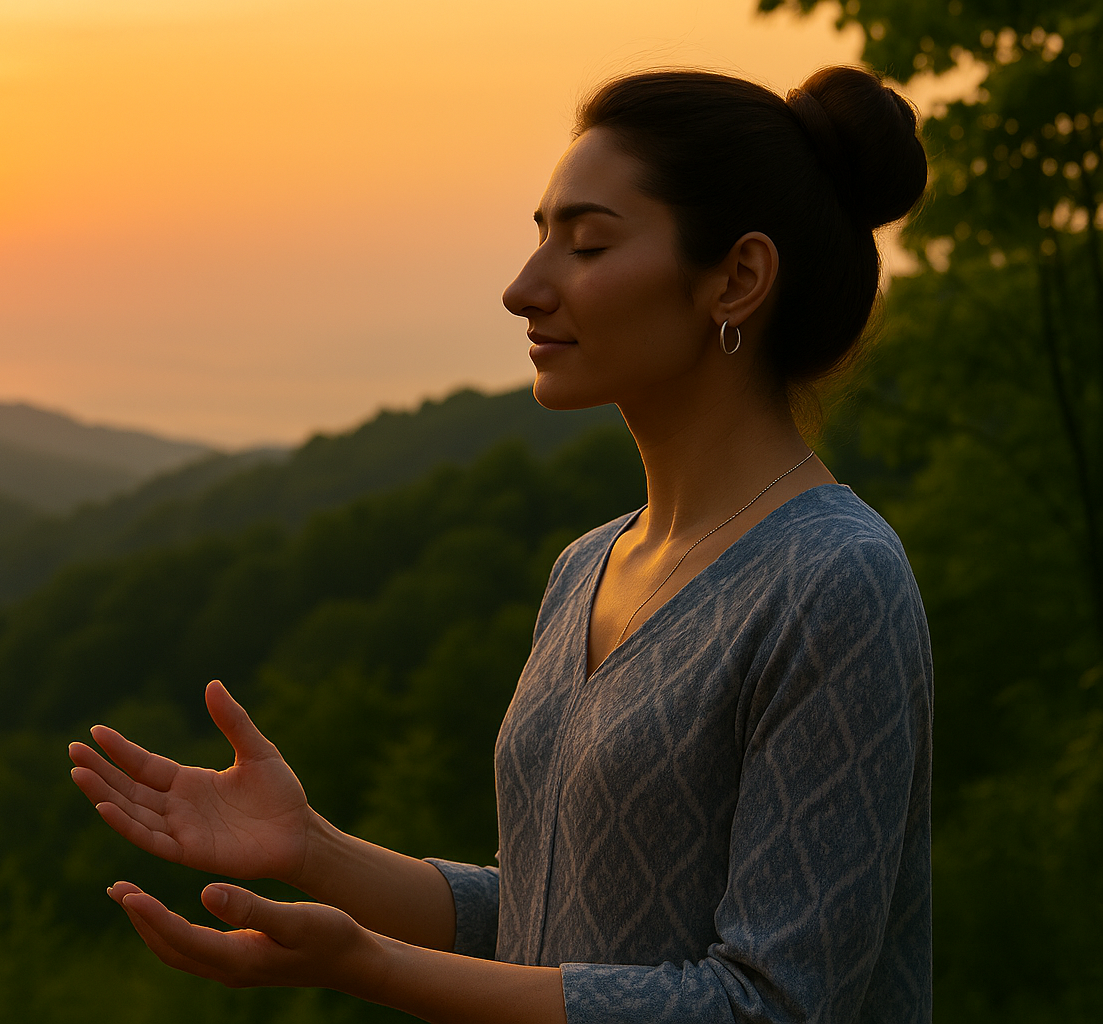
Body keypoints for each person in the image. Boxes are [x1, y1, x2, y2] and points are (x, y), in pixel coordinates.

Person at [68, 64, 934, 1024]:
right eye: (539, 240)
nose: (525, 290)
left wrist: (374, 968)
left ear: (737, 278)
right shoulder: (587, 568)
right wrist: (314, 850)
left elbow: (771, 1005)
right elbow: (544, 927)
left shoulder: (833, 579)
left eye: (588, 244)